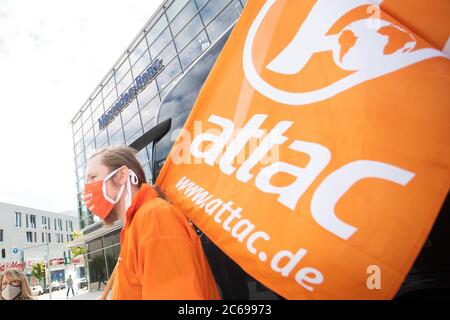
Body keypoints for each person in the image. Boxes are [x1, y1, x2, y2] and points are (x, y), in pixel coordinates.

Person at [83, 146, 220, 300]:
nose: (87, 187)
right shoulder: (136, 224)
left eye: (93, 177)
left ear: (121, 175)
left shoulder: (155, 217)